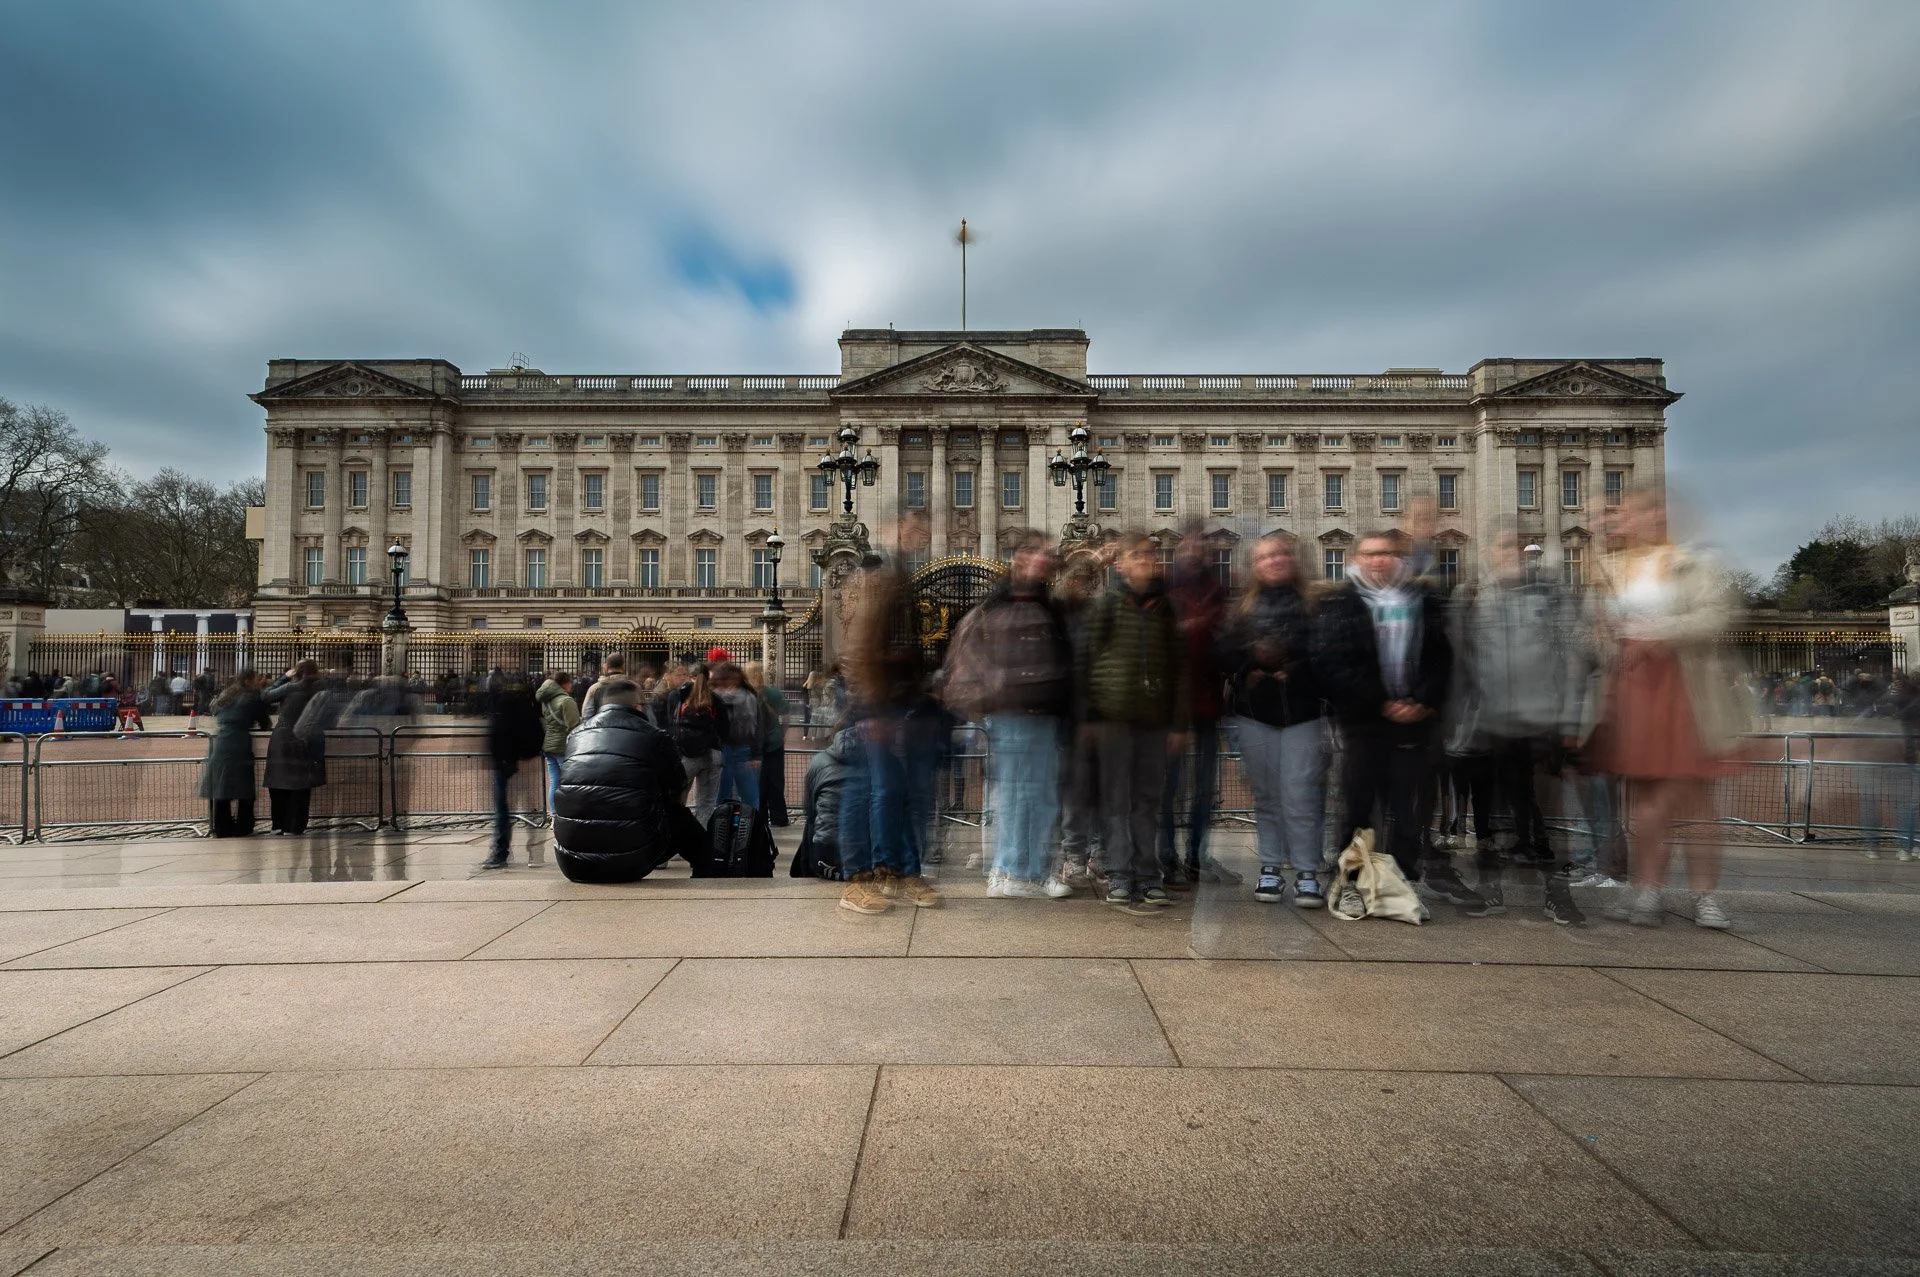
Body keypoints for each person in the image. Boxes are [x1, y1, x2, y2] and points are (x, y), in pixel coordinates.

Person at [1588, 492, 1751, 929]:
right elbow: (1601, 634)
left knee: (1696, 803)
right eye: (1632, 512)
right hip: (1635, 686)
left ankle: (1706, 897)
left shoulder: (1694, 562)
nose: (1639, 519)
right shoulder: (1615, 569)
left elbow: (1718, 615)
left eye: (1648, 511)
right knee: (1644, 804)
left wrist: (1663, 631)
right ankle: (1648, 891)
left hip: (1683, 684)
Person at [1312, 530, 1488, 914]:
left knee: (1406, 809)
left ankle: (1403, 884)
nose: (1380, 560)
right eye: (1372, 554)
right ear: (1356, 561)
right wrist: (1381, 702)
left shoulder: (1423, 601)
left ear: (1401, 560)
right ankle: (1352, 884)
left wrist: (1422, 700)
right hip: (1364, 722)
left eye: (1389, 553)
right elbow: (1334, 662)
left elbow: (1441, 659)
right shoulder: (1340, 603)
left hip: (1414, 721)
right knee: (1358, 808)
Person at [1444, 534, 1588, 925]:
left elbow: (1575, 655)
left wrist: (1569, 720)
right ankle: (1491, 888)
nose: (1507, 556)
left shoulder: (1548, 596)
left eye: (1514, 549)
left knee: (1545, 813)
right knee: (1490, 816)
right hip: (1489, 720)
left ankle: (1557, 893)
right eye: (1499, 548)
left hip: (1539, 720)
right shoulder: (1474, 596)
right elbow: (1461, 658)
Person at [944, 531, 1074, 899]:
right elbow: (981, 658)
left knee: (1041, 797)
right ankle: (1010, 870)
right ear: (1018, 559)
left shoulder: (1048, 604)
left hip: (1045, 712)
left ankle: (1029, 870)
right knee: (1017, 796)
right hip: (1011, 711)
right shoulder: (997, 606)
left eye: (1046, 554)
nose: (1042, 560)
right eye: (1034, 553)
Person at [1078, 533, 1189, 914]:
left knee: (1147, 802)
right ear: (1119, 565)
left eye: (1149, 556)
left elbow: (1178, 668)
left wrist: (1178, 724)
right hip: (1115, 719)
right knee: (1116, 802)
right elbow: (1088, 662)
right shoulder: (1107, 605)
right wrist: (1090, 717)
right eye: (1135, 556)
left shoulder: (1166, 608)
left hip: (1155, 720)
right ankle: (1121, 874)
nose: (1144, 561)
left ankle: (1149, 876)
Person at [1218, 532, 1328, 908]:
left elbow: (1327, 654)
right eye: (1265, 556)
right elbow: (1227, 656)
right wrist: (1253, 663)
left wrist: (1293, 667)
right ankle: (1269, 867)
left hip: (1302, 712)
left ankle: (1307, 871)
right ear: (1255, 566)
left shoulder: (1315, 605)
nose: (1274, 561)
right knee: (1266, 798)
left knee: (1300, 796)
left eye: (1281, 554)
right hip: (1256, 714)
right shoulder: (1242, 611)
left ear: (1293, 559)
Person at [835, 542, 942, 914]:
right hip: (873, 710)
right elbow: (853, 657)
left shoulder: (897, 597)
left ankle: (897, 870)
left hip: (899, 708)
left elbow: (905, 655)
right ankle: (863, 877)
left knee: (898, 792)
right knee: (872, 792)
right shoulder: (866, 595)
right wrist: (870, 706)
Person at [551, 679, 713, 882]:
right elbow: (677, 786)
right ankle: (706, 873)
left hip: (572, 863)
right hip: (631, 862)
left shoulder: (575, 736)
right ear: (637, 705)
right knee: (681, 818)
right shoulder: (655, 736)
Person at [1160, 531, 1230, 889]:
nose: (1193, 553)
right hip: (1173, 710)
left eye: (1198, 547)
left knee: (1203, 790)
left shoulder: (1217, 592)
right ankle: (1167, 857)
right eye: (1186, 547)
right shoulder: (1168, 594)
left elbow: (1223, 647)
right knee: (1167, 789)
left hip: (1206, 707)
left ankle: (1196, 856)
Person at [478, 671, 543, 869]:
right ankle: (535, 851)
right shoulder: (521, 701)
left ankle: (500, 852)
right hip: (517, 760)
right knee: (526, 807)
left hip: (506, 762)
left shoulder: (503, 703)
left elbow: (501, 733)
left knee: (503, 809)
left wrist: (504, 759)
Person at [197, 669, 272, 836]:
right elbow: (265, 723)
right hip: (239, 743)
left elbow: (215, 711)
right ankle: (244, 826)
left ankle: (222, 827)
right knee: (245, 788)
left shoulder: (226, 695)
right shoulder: (252, 697)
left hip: (221, 742)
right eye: (255, 679)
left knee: (222, 789)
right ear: (248, 681)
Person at [262, 660, 324, 834]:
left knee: (278, 782)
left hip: (284, 735)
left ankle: (279, 824)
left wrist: (283, 677)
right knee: (302, 785)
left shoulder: (292, 687)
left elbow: (266, 695)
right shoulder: (319, 689)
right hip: (307, 736)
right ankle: (296, 825)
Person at [661, 663, 726, 823]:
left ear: (689, 677)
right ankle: (702, 837)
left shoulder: (676, 696)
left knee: (677, 798)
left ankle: (677, 834)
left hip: (685, 754)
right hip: (713, 754)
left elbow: (671, 724)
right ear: (708, 677)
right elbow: (725, 729)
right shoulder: (716, 699)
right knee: (706, 803)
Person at [710, 661, 763, 810]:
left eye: (733, 679)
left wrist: (756, 754)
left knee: (750, 795)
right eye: (725, 680)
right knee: (721, 793)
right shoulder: (712, 698)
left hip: (744, 749)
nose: (729, 684)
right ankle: (720, 824)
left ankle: (752, 826)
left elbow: (758, 726)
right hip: (722, 749)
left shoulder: (749, 697)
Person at [743, 661, 791, 825]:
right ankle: (779, 817)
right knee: (776, 782)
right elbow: (786, 716)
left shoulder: (744, 694)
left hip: (753, 744)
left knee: (757, 783)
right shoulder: (773, 693)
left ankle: (759, 818)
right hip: (775, 742)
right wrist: (781, 734)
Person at [535, 670, 581, 807]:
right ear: (565, 684)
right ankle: (566, 811)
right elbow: (574, 727)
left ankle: (554, 814)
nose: (571, 685)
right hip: (563, 746)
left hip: (549, 744)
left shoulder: (547, 701)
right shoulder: (566, 701)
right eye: (570, 682)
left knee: (554, 781)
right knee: (569, 781)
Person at [579, 651, 629, 717]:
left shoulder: (595, 688)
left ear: (606, 667)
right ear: (623, 667)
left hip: (600, 725)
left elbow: (586, 714)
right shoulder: (634, 687)